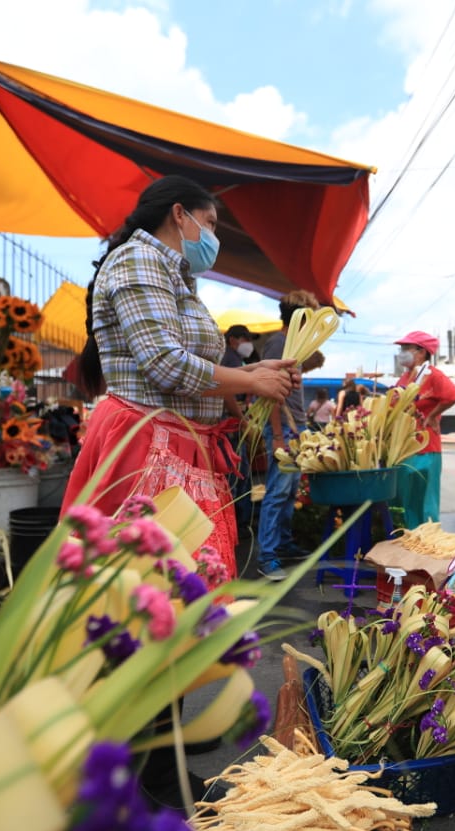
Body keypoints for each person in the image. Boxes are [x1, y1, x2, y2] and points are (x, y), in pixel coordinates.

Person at [64, 175, 298, 582]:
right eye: (208, 223)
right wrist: (251, 383)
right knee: (151, 589)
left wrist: (254, 372)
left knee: (183, 587)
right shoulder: (140, 260)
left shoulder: (175, 275)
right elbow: (167, 365)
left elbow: (184, 362)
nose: (211, 236)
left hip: (177, 442)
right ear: (179, 214)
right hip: (146, 443)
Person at [256, 290, 325, 580]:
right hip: (283, 428)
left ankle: (283, 544)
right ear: (297, 318)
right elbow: (269, 392)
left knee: (290, 492)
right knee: (277, 492)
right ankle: (267, 556)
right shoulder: (278, 343)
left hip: (296, 426)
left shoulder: (294, 345)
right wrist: (277, 434)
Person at [392, 330, 455, 525]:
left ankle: (428, 541)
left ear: (421, 352)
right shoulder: (405, 378)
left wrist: (432, 415)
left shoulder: (433, 375)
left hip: (426, 447)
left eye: (406, 348)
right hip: (404, 447)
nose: (402, 352)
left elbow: (452, 395)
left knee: (425, 500)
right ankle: (408, 538)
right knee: (406, 499)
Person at [220, 324, 259, 529]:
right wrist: (242, 420)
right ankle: (232, 525)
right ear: (233, 339)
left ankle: (239, 524)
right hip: (230, 425)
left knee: (240, 474)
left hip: (234, 422)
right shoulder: (230, 358)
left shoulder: (234, 358)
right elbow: (227, 392)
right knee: (235, 476)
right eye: (245, 339)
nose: (248, 344)